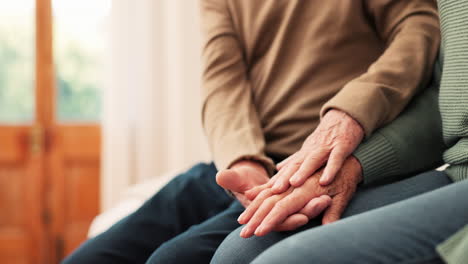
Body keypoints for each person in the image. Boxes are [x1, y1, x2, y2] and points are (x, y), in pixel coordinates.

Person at [62, 0, 440, 263]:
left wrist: (350, 113)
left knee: (171, 259)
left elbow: (421, 26)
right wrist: (241, 159)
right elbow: (222, 77)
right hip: (241, 167)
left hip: (315, 169)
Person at [212, 0, 468, 263]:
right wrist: (349, 168)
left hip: (319, 146)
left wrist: (351, 114)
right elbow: (447, 103)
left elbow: (420, 25)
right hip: (282, 162)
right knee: (238, 253)